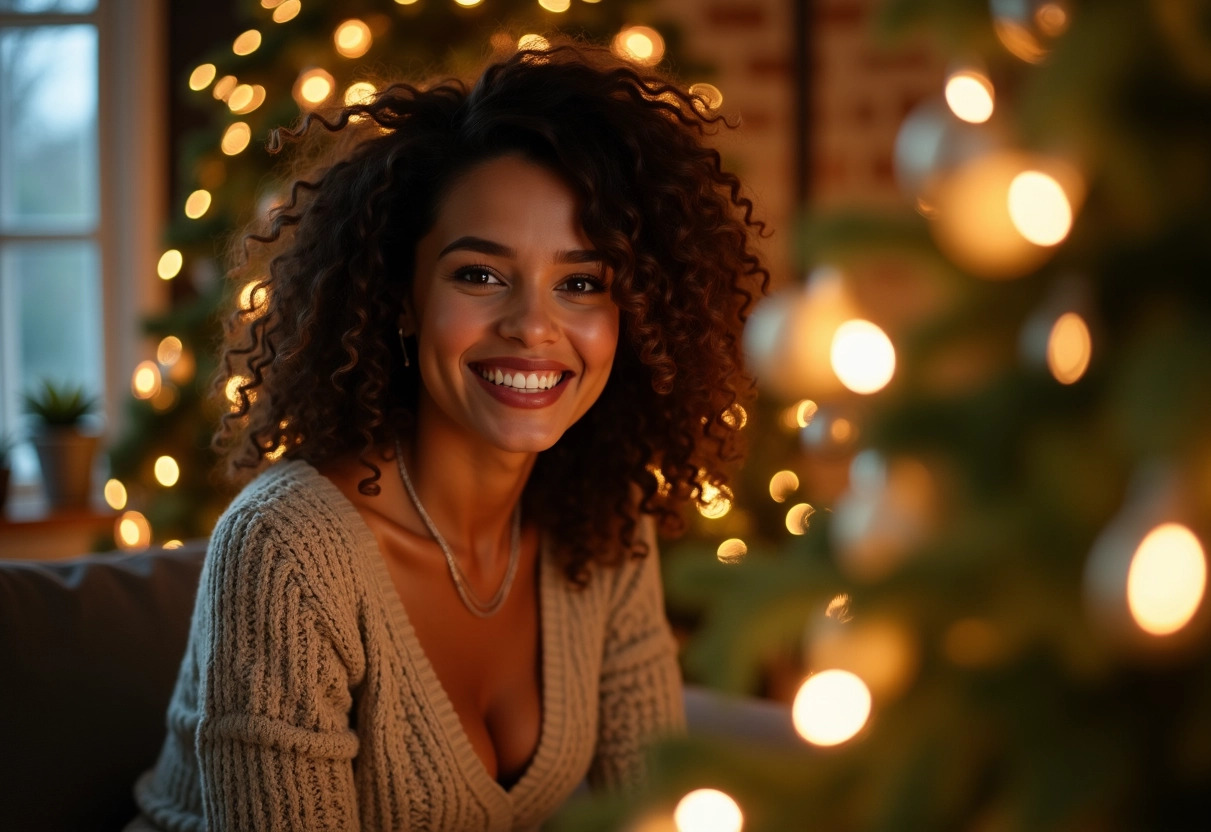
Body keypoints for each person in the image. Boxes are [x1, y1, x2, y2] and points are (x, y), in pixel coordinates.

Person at [128, 40, 768, 832]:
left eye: (580, 283)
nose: (534, 327)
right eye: (480, 274)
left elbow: (653, 808)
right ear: (403, 296)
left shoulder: (604, 526)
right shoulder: (288, 548)